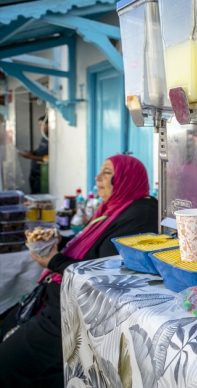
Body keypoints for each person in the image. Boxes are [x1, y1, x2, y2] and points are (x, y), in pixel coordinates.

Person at [0, 154, 158, 387]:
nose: (98, 177)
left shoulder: (140, 214)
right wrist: (59, 244)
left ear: (126, 179)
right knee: (7, 325)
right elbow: (88, 248)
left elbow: (102, 273)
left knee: (7, 363)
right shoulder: (112, 209)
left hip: (73, 313)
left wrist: (54, 261)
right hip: (57, 298)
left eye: (107, 172)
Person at [18, 115, 49, 194]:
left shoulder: (51, 140)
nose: (40, 128)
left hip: (41, 174)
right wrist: (31, 152)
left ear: (49, 125)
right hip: (34, 171)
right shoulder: (44, 138)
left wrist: (29, 156)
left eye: (42, 125)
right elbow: (40, 151)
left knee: (39, 194)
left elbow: (47, 158)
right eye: (39, 125)